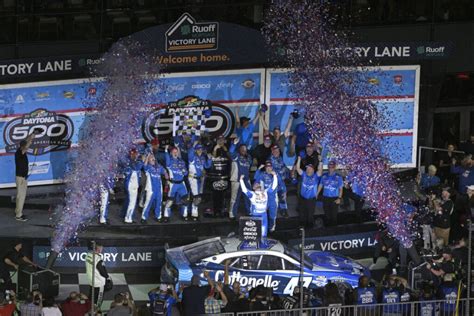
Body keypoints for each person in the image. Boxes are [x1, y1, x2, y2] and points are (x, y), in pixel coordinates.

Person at [240, 171, 277, 239]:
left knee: (264, 232)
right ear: (253, 188)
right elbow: (244, 190)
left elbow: (274, 186)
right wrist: (241, 180)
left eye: (258, 184)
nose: (257, 184)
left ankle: (263, 243)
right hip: (255, 215)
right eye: (255, 184)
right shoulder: (252, 194)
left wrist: (274, 175)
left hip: (264, 215)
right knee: (255, 233)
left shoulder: (265, 192)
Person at [14, 129, 40, 221]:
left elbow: (27, 141)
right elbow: (27, 145)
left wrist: (33, 134)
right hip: (20, 178)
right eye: (24, 146)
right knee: (21, 197)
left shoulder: (21, 150)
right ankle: (18, 216)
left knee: (20, 196)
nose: (26, 148)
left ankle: (17, 211)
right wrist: (32, 138)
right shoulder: (19, 153)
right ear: (22, 147)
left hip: (23, 177)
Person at [254, 161, 282, 232]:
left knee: (273, 214)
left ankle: (272, 228)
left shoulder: (276, 174)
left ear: (272, 167)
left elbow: (281, 183)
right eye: (267, 167)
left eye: (270, 167)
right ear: (265, 168)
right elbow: (256, 179)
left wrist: (284, 192)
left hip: (273, 197)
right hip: (264, 197)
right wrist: (258, 169)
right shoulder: (262, 174)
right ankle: (262, 227)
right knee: (262, 212)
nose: (268, 169)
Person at [295, 156, 323, 228]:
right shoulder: (304, 175)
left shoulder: (316, 176)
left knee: (310, 215)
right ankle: (301, 229)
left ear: (313, 170)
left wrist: (320, 161)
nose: (308, 170)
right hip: (302, 199)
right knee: (301, 214)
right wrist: (299, 159)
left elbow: (320, 171)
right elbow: (298, 168)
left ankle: (309, 229)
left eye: (310, 169)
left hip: (311, 200)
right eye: (307, 168)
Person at [207, 135, 231, 217]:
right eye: (219, 140)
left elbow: (231, 157)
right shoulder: (212, 147)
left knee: (223, 195)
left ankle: (222, 211)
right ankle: (214, 211)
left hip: (224, 176)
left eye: (222, 140)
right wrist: (215, 148)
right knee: (214, 195)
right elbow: (211, 157)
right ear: (216, 140)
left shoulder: (227, 148)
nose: (221, 141)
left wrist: (225, 149)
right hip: (213, 176)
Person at [229, 137, 252, 219]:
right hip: (236, 180)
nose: (244, 150)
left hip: (246, 180)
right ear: (239, 150)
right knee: (234, 198)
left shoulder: (249, 158)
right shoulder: (236, 156)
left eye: (245, 148)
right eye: (242, 148)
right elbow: (231, 152)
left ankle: (249, 211)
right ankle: (232, 213)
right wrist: (234, 144)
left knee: (249, 196)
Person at [187, 143, 212, 221]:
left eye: (201, 149)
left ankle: (191, 212)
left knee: (197, 196)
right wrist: (193, 146)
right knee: (196, 197)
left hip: (200, 179)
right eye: (198, 149)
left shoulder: (203, 158)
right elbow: (190, 154)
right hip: (193, 178)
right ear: (195, 150)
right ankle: (194, 215)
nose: (200, 151)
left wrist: (210, 159)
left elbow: (207, 166)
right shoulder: (192, 157)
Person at [164, 146, 189, 222]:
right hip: (173, 184)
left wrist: (184, 171)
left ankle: (184, 215)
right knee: (170, 201)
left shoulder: (182, 161)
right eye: (174, 152)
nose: (175, 153)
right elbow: (167, 158)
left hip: (181, 183)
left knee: (185, 200)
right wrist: (165, 150)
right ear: (171, 153)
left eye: (176, 152)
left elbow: (185, 173)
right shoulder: (169, 161)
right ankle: (166, 216)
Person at [141, 154, 168, 224]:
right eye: (151, 158)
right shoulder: (148, 168)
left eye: (153, 158)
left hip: (159, 189)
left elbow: (164, 170)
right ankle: (143, 218)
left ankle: (158, 217)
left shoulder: (159, 166)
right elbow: (144, 165)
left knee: (159, 203)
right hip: (151, 189)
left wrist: (166, 174)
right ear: (148, 160)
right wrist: (147, 157)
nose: (153, 159)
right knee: (148, 203)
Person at [317, 160, 343, 226]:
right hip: (325, 198)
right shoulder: (324, 176)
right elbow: (320, 185)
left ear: (335, 167)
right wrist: (316, 194)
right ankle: (328, 230)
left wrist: (339, 198)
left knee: (334, 216)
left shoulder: (338, 177)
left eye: (332, 167)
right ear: (328, 167)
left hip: (334, 198)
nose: (331, 168)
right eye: (330, 166)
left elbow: (341, 189)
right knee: (327, 215)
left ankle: (334, 231)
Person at [85, 243, 111, 308]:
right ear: (98, 249)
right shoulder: (98, 259)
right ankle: (96, 312)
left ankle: (89, 309)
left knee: (91, 297)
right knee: (98, 301)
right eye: (101, 247)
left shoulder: (88, 255)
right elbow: (103, 272)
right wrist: (108, 277)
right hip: (99, 283)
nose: (102, 248)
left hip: (91, 280)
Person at [123, 148, 144, 224]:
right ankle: (128, 218)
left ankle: (126, 216)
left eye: (135, 154)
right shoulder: (131, 163)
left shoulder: (133, 162)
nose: (135, 155)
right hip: (131, 186)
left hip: (133, 185)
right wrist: (141, 160)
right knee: (132, 202)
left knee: (130, 201)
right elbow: (137, 167)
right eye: (134, 154)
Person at [269, 145, 290, 217]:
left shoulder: (280, 158)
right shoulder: (270, 160)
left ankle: (283, 210)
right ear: (272, 151)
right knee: (274, 197)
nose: (276, 152)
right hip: (273, 181)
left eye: (277, 150)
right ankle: (272, 212)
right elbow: (274, 172)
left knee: (282, 196)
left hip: (281, 181)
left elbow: (284, 167)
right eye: (274, 150)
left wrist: (290, 173)